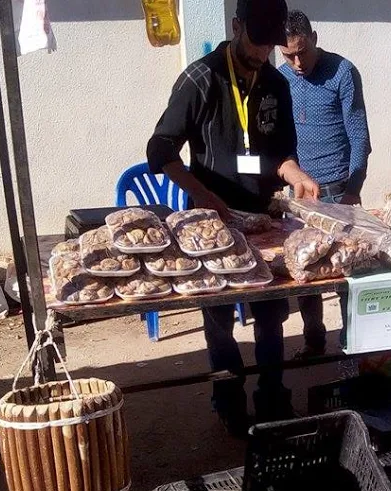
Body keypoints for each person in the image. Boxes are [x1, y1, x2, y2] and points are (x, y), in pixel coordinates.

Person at [147, 0, 319, 435]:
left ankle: (273, 398)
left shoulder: (276, 83)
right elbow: (161, 149)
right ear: (237, 26)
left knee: (271, 315)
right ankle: (228, 400)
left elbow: (281, 154)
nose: (262, 53)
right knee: (220, 320)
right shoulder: (202, 78)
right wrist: (202, 195)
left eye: (270, 44)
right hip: (211, 223)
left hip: (262, 221)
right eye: (256, 41)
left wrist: (296, 174)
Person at [279, 9, 372, 356]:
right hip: (300, 195)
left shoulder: (342, 72)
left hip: (339, 192)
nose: (297, 62)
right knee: (304, 269)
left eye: (302, 52)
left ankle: (352, 344)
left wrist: (353, 190)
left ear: (314, 38)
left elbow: (359, 136)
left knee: (347, 272)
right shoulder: (280, 79)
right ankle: (313, 339)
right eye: (288, 55)